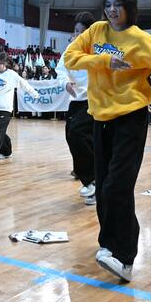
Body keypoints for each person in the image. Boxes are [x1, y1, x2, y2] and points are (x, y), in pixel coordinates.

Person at [64, 0, 151, 283]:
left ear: (129, 8)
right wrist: (103, 60)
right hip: (100, 118)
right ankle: (108, 244)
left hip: (130, 119)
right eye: (108, 4)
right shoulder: (96, 31)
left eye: (118, 5)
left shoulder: (143, 41)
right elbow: (70, 57)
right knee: (103, 187)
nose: (112, 10)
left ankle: (125, 258)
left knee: (117, 186)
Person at [56, 12, 97, 205]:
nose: (78, 34)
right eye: (76, 31)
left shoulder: (98, 49)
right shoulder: (70, 49)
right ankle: (89, 175)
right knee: (71, 135)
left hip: (94, 100)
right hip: (76, 100)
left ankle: (92, 180)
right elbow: (60, 69)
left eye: (82, 31)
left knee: (78, 134)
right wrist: (66, 83)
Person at [0, 52, 39, 162]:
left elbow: (24, 84)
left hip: (5, 108)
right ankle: (6, 152)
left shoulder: (12, 74)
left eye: (0, 63)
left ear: (6, 63)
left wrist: (34, 94)